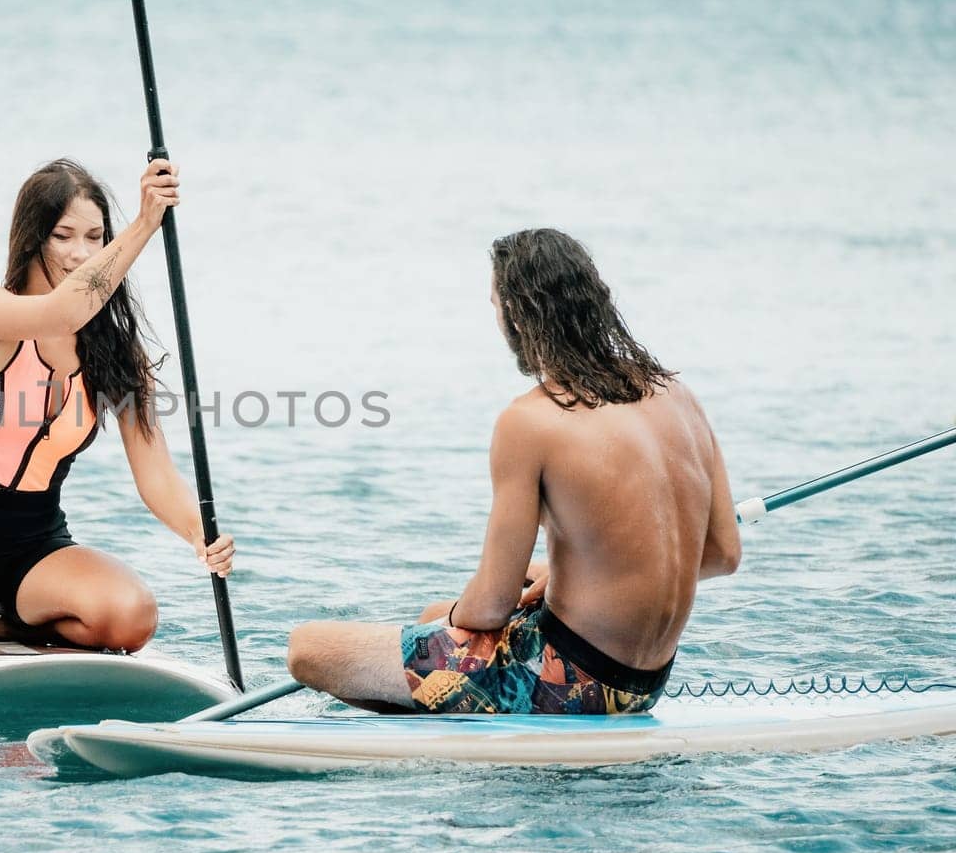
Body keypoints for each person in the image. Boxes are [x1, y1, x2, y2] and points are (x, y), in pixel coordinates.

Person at [286, 228, 740, 715]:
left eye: (495, 305)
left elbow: (492, 604)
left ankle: (464, 717)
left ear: (520, 315)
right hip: (643, 684)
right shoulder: (676, 394)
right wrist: (580, 575)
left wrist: (455, 623)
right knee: (431, 616)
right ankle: (450, 704)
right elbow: (721, 554)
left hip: (565, 685)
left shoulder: (530, 420)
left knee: (309, 648)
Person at [0, 157, 234, 654]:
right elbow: (63, 311)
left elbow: (155, 473)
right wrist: (145, 223)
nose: (80, 252)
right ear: (31, 238)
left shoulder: (117, 353)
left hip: (34, 545)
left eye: (95, 237)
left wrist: (200, 536)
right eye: (63, 236)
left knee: (132, 618)